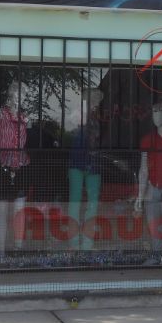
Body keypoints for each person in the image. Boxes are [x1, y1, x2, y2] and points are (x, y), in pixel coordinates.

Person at [0, 80, 30, 257]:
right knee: (2, 211)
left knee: (19, 210)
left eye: (25, 95)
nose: (22, 98)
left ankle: (17, 249)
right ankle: (0, 251)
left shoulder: (25, 117)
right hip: (3, 166)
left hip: (21, 167)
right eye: (20, 93)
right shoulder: (0, 114)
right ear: (12, 93)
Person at [134, 98, 162, 263]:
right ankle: (158, 257)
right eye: (154, 111)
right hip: (152, 188)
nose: (157, 114)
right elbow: (144, 169)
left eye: (161, 110)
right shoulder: (147, 140)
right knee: (154, 226)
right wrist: (140, 197)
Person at [68, 88, 104, 250]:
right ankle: (74, 242)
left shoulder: (97, 119)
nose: (97, 103)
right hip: (77, 162)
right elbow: (73, 133)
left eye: (98, 100)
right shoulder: (78, 115)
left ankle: (87, 243)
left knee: (92, 204)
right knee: (75, 203)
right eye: (94, 99)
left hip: (93, 164)